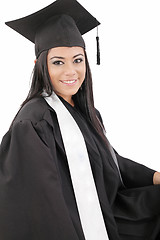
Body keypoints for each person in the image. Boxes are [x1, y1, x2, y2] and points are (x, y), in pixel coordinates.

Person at [1, 0, 160, 239]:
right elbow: (42, 201)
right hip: (77, 227)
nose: (70, 72)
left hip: (110, 212)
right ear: (39, 66)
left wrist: (155, 177)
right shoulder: (34, 121)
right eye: (58, 62)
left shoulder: (87, 112)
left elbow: (111, 162)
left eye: (77, 60)